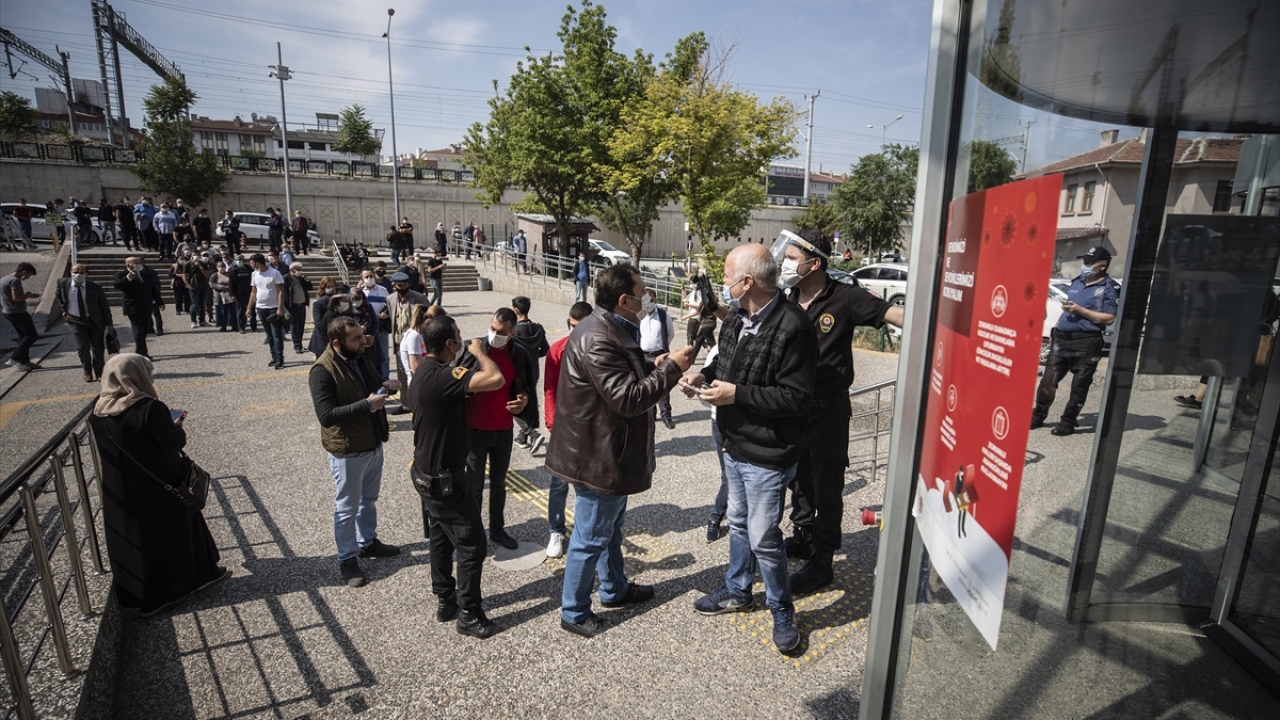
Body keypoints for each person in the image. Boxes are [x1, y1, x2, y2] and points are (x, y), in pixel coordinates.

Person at [679, 244, 817, 654]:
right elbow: (725, 366)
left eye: (726, 274)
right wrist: (701, 378)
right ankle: (739, 590)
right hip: (733, 444)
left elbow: (796, 398)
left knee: (763, 536)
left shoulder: (795, 327)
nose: (722, 281)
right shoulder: (737, 318)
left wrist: (736, 394)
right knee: (737, 523)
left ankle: (781, 608)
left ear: (748, 282)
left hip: (769, 453)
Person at [546, 264, 694, 638]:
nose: (648, 298)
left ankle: (614, 588)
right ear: (625, 300)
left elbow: (625, 369)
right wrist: (671, 371)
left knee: (610, 530)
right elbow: (627, 398)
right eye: (643, 292)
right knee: (591, 536)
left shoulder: (608, 327)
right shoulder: (598, 336)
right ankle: (574, 611)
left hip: (608, 451)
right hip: (599, 457)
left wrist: (653, 363)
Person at [775, 229, 903, 593]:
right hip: (792, 406)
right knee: (798, 478)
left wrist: (941, 323)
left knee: (826, 484)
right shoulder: (787, 296)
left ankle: (823, 561)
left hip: (828, 410)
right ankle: (802, 534)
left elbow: (891, 314)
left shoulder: (844, 297)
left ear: (814, 262)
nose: (786, 262)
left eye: (792, 256)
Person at [88, 354, 228, 615]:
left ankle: (140, 597)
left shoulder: (98, 410)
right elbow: (174, 443)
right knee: (178, 532)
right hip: (161, 482)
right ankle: (191, 581)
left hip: (121, 487)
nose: (150, 378)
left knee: (138, 540)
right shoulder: (149, 408)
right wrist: (176, 424)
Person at [410, 314, 506, 638]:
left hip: (426, 475)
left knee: (440, 535)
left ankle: (445, 599)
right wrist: (480, 352)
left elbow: (458, 385)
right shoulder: (443, 377)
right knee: (471, 545)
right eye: (459, 336)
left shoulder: (425, 370)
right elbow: (494, 379)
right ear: (450, 343)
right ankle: (469, 612)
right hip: (445, 481)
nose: (463, 339)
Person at [308, 315, 402, 587]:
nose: (364, 341)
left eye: (363, 335)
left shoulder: (359, 357)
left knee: (368, 500)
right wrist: (368, 405)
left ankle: (368, 542)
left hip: (371, 443)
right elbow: (326, 415)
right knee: (346, 507)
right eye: (357, 338)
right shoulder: (321, 370)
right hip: (347, 450)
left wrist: (386, 386)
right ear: (337, 343)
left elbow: (371, 388)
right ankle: (347, 559)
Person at [456, 308, 537, 550]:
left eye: (500, 332)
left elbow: (522, 385)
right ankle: (474, 531)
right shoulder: (475, 349)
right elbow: (456, 383)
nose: (494, 334)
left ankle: (498, 529)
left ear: (512, 333)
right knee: (474, 486)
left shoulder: (517, 354)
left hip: (502, 428)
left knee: (499, 484)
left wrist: (522, 399)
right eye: (492, 329)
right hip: (474, 429)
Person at [1031, 246, 1119, 436]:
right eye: (1084, 261)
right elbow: (1067, 309)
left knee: (1079, 386)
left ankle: (1068, 421)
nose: (1084, 265)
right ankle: (1038, 415)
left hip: (1086, 343)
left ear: (1102, 266)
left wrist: (1081, 311)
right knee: (1048, 381)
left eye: (1089, 262)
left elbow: (1109, 318)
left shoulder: (1108, 288)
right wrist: (1056, 328)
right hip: (1062, 340)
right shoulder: (1077, 282)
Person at [542, 301, 593, 558]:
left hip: (591, 427)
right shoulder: (557, 350)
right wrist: (552, 422)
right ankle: (556, 530)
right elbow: (549, 389)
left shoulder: (599, 348)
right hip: (563, 425)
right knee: (559, 482)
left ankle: (586, 531)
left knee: (590, 483)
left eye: (579, 327)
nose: (574, 331)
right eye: (571, 326)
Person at [57, 263, 113, 382]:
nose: (78, 274)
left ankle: (99, 372)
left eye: (81, 272)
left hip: (94, 321)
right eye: (75, 272)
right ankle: (86, 369)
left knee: (98, 348)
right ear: (70, 272)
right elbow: (59, 296)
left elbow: (104, 305)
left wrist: (109, 322)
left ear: (87, 274)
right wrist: (64, 309)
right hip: (75, 320)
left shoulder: (94, 287)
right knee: (82, 347)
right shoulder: (63, 284)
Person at [385, 272, 428, 412]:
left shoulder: (419, 298)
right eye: (399, 285)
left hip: (415, 341)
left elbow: (429, 317)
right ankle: (405, 404)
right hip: (399, 343)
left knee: (417, 372)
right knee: (402, 374)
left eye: (405, 284)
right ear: (394, 285)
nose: (403, 287)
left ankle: (419, 402)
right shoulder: (390, 299)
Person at [511, 296, 549, 452]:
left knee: (513, 404)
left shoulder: (513, 331)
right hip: (534, 371)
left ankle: (531, 433)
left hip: (518, 373)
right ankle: (522, 438)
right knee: (529, 402)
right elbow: (545, 350)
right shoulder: (538, 328)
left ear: (515, 310)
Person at [639, 287, 677, 429]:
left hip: (660, 355)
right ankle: (651, 414)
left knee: (662, 386)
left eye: (651, 300)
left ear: (655, 300)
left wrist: (662, 351)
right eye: (646, 300)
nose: (649, 303)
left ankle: (666, 415)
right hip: (644, 356)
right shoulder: (639, 316)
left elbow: (670, 334)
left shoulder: (663, 315)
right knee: (647, 385)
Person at [247, 253, 287, 369]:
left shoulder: (274, 273)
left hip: (273, 308)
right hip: (261, 308)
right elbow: (253, 292)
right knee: (269, 335)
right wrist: (249, 307)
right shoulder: (254, 274)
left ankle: (280, 359)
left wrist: (280, 308)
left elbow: (281, 291)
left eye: (252, 263)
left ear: (258, 263)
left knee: (276, 334)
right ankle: (274, 357)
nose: (251, 265)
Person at [2, 262, 42, 370]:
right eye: (28, 275)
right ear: (24, 271)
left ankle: (24, 360)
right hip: (17, 312)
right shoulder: (15, 281)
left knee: (23, 336)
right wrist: (29, 295)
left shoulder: (5, 278)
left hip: (8, 311)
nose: (28, 278)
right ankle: (15, 358)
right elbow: (16, 298)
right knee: (32, 335)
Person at [359, 269, 391, 380]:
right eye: (366, 276)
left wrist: (387, 313)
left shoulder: (383, 290)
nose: (369, 278)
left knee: (384, 353)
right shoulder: (360, 292)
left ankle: (385, 376)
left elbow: (389, 304)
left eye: (370, 276)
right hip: (367, 327)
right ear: (362, 279)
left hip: (381, 326)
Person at [398, 304, 431, 394]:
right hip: (419, 386)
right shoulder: (414, 337)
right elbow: (415, 367)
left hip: (423, 383)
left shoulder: (419, 336)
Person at [284, 262, 313, 354]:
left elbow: (310, 288)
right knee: (294, 326)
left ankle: (299, 344)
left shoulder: (301, 279)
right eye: (298, 270)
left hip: (302, 305)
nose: (300, 272)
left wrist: (306, 280)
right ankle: (297, 346)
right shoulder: (286, 278)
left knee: (301, 326)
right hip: (292, 306)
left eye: (301, 270)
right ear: (292, 270)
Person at [136, 257, 167, 338]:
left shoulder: (150, 272)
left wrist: (158, 297)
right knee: (147, 314)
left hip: (152, 295)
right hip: (141, 297)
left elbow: (156, 284)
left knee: (156, 313)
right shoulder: (134, 272)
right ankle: (150, 328)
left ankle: (159, 329)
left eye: (139, 262)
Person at [183, 250, 214, 328]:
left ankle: (202, 320)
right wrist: (188, 285)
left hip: (203, 286)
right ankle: (193, 321)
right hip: (193, 287)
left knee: (202, 305)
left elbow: (207, 275)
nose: (196, 256)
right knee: (195, 304)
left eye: (197, 255)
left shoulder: (203, 264)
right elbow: (184, 275)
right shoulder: (187, 264)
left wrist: (200, 267)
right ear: (191, 256)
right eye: (194, 255)